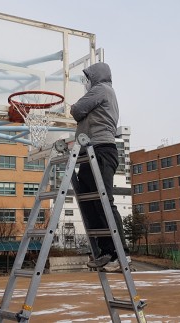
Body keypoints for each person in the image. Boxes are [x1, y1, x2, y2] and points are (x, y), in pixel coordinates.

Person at [70, 62, 128, 272]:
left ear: (95, 76)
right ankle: (105, 251)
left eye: (88, 78)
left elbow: (77, 110)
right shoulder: (103, 92)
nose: (86, 82)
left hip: (101, 150)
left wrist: (74, 107)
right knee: (90, 202)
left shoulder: (102, 89)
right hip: (90, 152)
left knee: (103, 201)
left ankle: (118, 254)